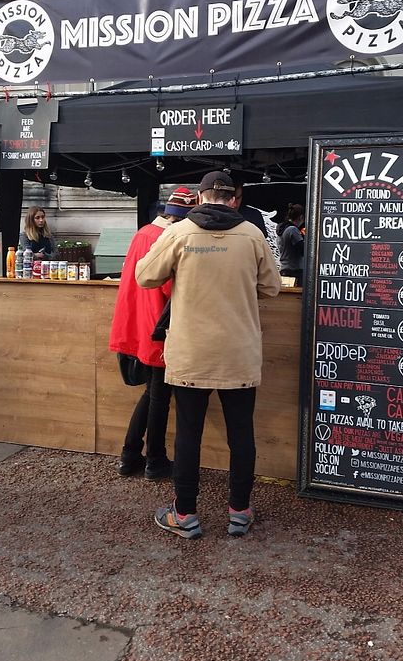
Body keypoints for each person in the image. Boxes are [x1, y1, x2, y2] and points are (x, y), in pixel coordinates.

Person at [136, 170, 280, 539]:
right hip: (238, 351)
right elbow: (272, 287)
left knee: (188, 433)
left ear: (200, 198)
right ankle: (239, 511)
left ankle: (185, 514)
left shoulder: (179, 232)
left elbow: (144, 276)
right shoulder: (252, 234)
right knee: (241, 433)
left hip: (192, 352)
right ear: (234, 199)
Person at [109, 186, 197, 480]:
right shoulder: (170, 238)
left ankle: (130, 455)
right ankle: (154, 460)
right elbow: (172, 289)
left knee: (153, 394)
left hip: (138, 321)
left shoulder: (143, 232)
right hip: (159, 324)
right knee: (159, 396)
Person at [276, 203, 305, 286]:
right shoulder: (293, 230)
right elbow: (302, 249)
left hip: (284, 269)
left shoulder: (281, 230)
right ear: (301, 217)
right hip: (295, 271)